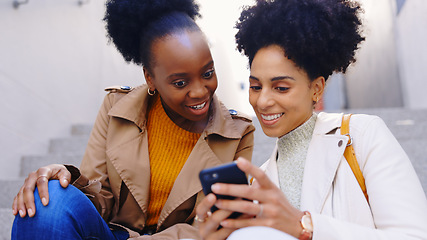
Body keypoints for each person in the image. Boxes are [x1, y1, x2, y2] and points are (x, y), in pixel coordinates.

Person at [11, 0, 255, 239]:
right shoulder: (116, 107)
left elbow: (213, 225)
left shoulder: (238, 133)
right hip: (116, 234)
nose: (200, 91)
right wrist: (65, 178)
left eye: (208, 73)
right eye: (180, 83)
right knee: (47, 200)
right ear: (150, 79)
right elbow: (100, 198)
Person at [196, 0, 427, 239]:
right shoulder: (256, 186)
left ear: (316, 89)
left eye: (281, 87)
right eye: (255, 86)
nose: (262, 101)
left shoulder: (362, 136)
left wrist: (305, 226)